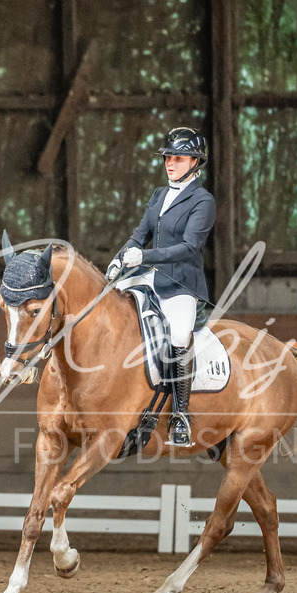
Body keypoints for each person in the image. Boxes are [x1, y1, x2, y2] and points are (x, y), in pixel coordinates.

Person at [105, 126, 216, 448]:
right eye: (168, 157)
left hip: (181, 283)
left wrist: (145, 255)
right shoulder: (158, 195)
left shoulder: (203, 201)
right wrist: (120, 258)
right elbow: (139, 234)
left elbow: (190, 247)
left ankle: (180, 416)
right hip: (147, 276)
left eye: (179, 158)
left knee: (180, 336)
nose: (170, 163)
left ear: (196, 162)